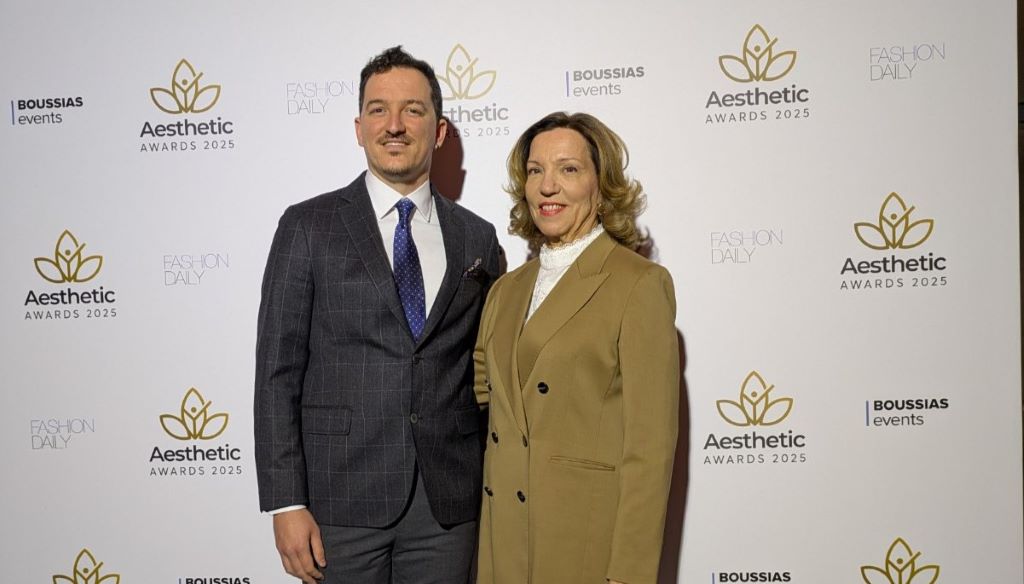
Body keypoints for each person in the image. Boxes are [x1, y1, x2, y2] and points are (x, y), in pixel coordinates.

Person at [254, 46, 500, 584]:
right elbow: (276, 372)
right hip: (338, 501)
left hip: (448, 505)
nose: (394, 125)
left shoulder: (477, 237)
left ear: (439, 131)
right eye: (378, 109)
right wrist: (285, 502)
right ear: (359, 128)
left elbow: (490, 370)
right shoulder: (307, 226)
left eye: (413, 110)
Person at [474, 112, 679, 584]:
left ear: (600, 186)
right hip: (503, 543)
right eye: (535, 170)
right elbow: (487, 407)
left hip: (582, 544)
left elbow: (649, 453)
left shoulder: (639, 284)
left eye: (568, 169)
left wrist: (628, 575)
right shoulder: (505, 291)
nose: (548, 186)